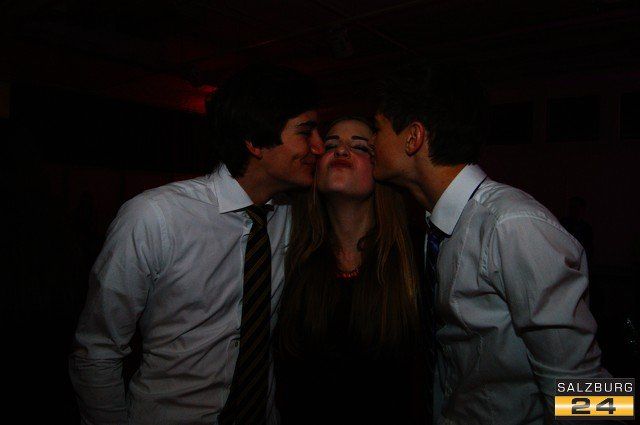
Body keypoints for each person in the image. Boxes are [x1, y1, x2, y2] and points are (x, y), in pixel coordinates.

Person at [68, 64, 324, 425]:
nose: (319, 146)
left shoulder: (290, 216)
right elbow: (98, 350)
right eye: (306, 132)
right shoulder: (155, 217)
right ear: (254, 141)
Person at [371, 61, 609, 424]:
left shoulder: (512, 226)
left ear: (413, 137)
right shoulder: (438, 228)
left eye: (377, 129)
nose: (371, 142)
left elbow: (581, 390)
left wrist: (629, 408)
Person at [275, 117, 426, 425]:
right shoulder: (289, 255)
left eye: (359, 147)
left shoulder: (415, 257)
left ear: (379, 168)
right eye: (330, 145)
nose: (341, 150)